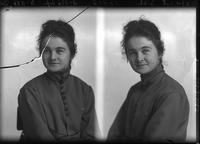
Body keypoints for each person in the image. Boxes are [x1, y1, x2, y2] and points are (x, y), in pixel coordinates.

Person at [107, 18, 189, 142]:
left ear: (160, 52)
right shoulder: (134, 90)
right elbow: (114, 135)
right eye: (132, 52)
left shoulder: (172, 94)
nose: (139, 58)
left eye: (145, 50)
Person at [17, 19, 99, 142]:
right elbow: (39, 136)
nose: (52, 57)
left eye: (59, 51)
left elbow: (91, 135)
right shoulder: (29, 91)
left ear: (71, 53)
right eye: (47, 51)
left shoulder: (85, 90)